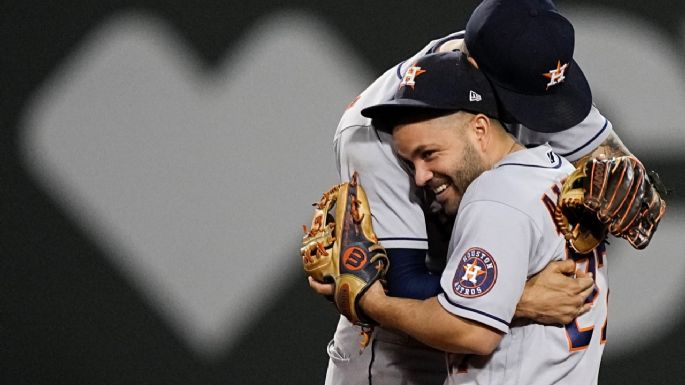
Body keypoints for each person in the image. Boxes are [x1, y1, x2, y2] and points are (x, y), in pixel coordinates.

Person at [318, 0, 660, 383]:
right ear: (475, 74)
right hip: (400, 349)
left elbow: (627, 176)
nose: (535, 116)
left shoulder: (523, 70)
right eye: (521, 102)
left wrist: (638, 188)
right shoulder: (371, 135)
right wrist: (517, 297)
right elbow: (399, 283)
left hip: (482, 325)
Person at [354, 50, 608, 384]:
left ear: (479, 128)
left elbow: (471, 331)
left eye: (429, 154)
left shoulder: (495, 196)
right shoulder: (557, 172)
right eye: (409, 162)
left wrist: (372, 304)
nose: (420, 177)